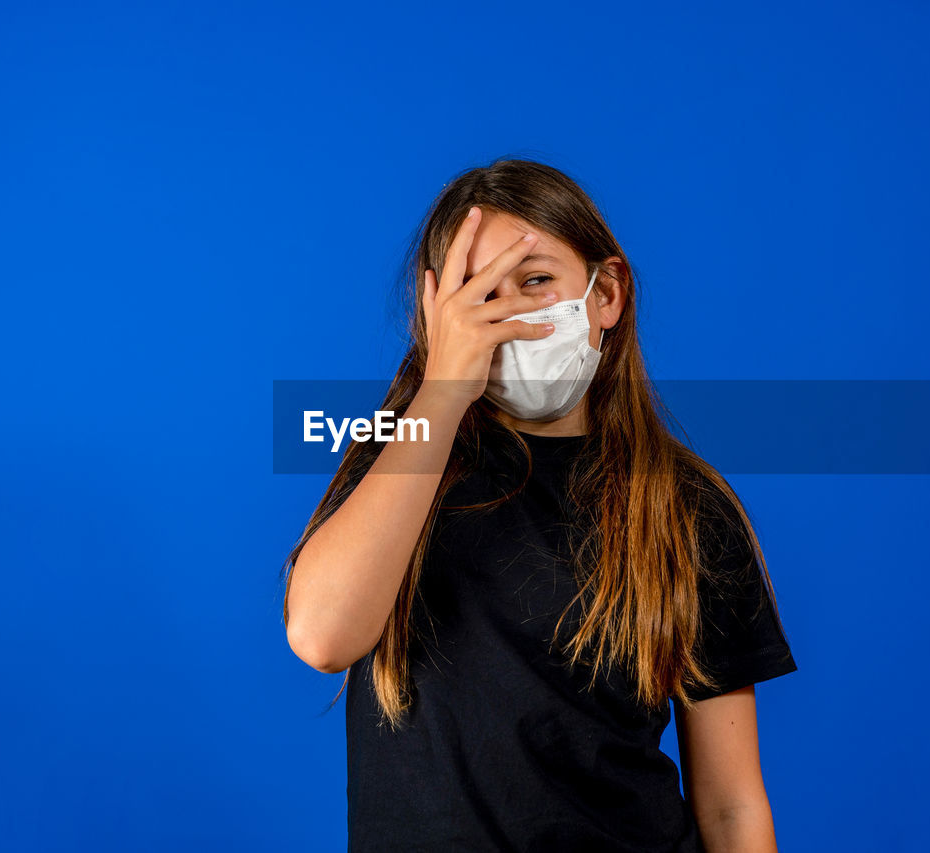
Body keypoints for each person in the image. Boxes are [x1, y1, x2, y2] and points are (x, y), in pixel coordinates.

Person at [282, 158, 799, 852]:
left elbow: (732, 804)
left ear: (605, 293)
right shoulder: (399, 458)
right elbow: (322, 635)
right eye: (481, 293)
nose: (511, 315)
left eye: (536, 282)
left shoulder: (684, 504)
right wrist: (441, 391)